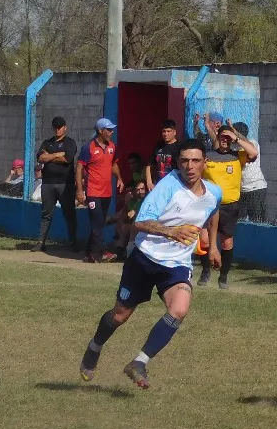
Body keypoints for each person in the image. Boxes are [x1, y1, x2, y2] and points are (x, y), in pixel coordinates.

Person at [79, 139, 221, 388]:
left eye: (196, 161)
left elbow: (213, 209)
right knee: (120, 316)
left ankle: (139, 362)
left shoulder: (213, 192)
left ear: (204, 163)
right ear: (178, 163)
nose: (190, 166)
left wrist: (214, 245)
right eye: (184, 161)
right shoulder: (168, 186)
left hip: (176, 264)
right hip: (145, 258)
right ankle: (95, 346)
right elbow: (140, 222)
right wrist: (171, 231)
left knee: (179, 308)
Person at [198, 119, 258, 289]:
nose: (225, 140)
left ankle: (223, 276)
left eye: (228, 137)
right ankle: (205, 271)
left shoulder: (238, 157)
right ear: (217, 137)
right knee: (204, 239)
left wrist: (236, 137)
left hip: (230, 206)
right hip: (209, 205)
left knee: (226, 243)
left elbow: (253, 152)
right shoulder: (208, 156)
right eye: (222, 137)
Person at [76, 118, 123, 263]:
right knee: (97, 223)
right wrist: (79, 190)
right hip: (93, 192)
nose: (111, 132)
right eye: (108, 130)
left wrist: (119, 178)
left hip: (106, 192)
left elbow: (113, 164)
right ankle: (98, 253)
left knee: (100, 223)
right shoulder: (88, 148)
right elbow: (79, 168)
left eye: (112, 129)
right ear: (100, 131)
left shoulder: (112, 147)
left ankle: (89, 252)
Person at [36, 115, 78, 252]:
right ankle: (41, 242)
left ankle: (73, 242)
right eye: (55, 127)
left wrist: (50, 156)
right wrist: (56, 155)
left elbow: (67, 159)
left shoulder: (70, 142)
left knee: (69, 213)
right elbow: (40, 158)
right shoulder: (47, 142)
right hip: (48, 183)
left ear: (65, 128)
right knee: (46, 213)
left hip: (65, 184)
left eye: (60, 127)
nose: (57, 130)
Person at [234, 121, 267, 222]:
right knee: (240, 219)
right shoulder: (234, 147)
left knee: (257, 219)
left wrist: (235, 134)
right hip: (242, 189)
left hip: (255, 187)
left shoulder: (252, 143)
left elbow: (248, 146)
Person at [144, 119, 180, 191]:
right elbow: (149, 165)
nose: (166, 134)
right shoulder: (158, 145)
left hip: (175, 186)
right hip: (159, 186)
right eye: (164, 131)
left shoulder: (180, 147)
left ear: (174, 132)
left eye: (168, 131)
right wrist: (149, 182)